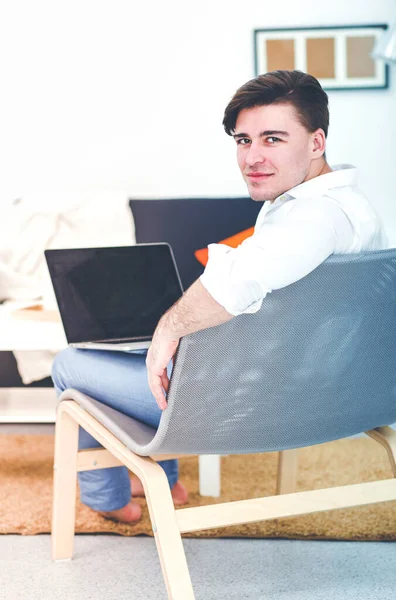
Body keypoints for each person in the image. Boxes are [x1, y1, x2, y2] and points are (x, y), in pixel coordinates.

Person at [52, 69, 386, 523]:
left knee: (69, 364)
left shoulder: (314, 218)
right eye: (243, 140)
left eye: (273, 139)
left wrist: (169, 328)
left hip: (253, 405)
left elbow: (238, 283)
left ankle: (107, 500)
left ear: (316, 142)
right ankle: (164, 481)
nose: (253, 157)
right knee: (155, 357)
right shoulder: (353, 206)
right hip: (329, 395)